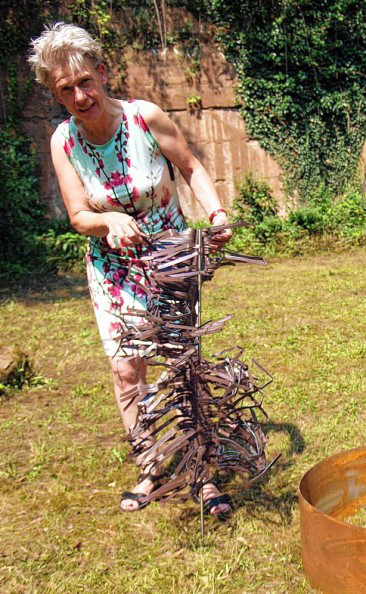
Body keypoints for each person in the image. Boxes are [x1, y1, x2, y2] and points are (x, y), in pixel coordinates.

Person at [28, 22, 232, 514]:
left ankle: (204, 475)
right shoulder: (64, 142)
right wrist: (109, 220)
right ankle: (151, 468)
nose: (79, 95)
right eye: (66, 89)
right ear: (57, 94)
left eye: (85, 82)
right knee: (126, 372)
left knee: (183, 367)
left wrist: (216, 212)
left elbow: (191, 168)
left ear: (102, 73)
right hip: (113, 268)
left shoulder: (146, 117)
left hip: (169, 259)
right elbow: (79, 215)